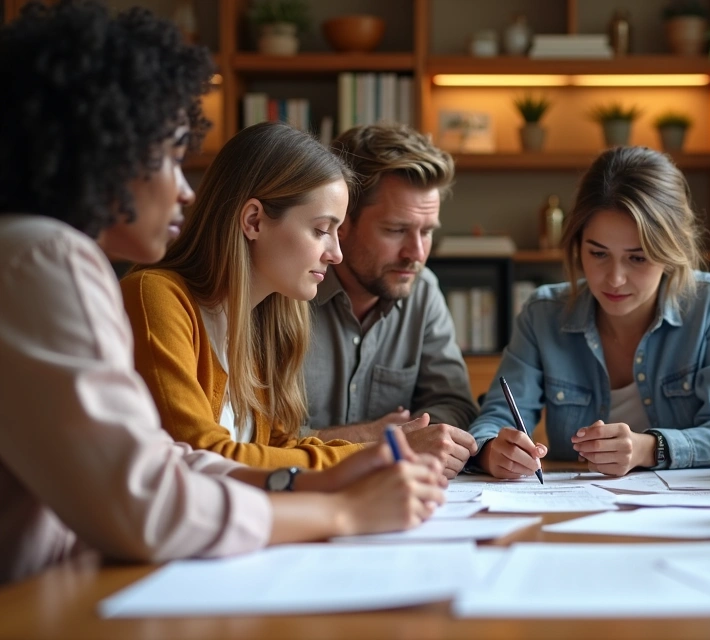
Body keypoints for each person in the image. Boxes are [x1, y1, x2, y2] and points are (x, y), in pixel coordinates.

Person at [0, 0, 444, 586]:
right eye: (169, 155)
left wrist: (309, 479)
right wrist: (339, 509)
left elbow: (166, 462)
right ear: (106, 150)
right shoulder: (44, 256)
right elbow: (146, 500)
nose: (185, 191)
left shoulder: (34, 253)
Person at [466, 146, 710, 478]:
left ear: (671, 252)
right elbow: (494, 420)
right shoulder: (542, 314)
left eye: (638, 257)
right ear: (577, 246)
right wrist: (491, 451)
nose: (615, 279)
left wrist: (647, 448)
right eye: (598, 253)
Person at [120, 120, 371, 469]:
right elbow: (203, 457)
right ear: (253, 221)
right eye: (320, 230)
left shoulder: (264, 322)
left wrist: (391, 448)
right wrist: (374, 455)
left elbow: (282, 450)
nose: (336, 254)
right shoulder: (155, 297)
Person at [305, 124, 479, 479]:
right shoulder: (286, 292)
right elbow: (257, 436)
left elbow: (456, 405)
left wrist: (428, 435)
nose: (416, 253)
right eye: (396, 230)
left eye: (427, 231)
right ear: (342, 222)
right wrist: (374, 439)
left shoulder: (423, 290)